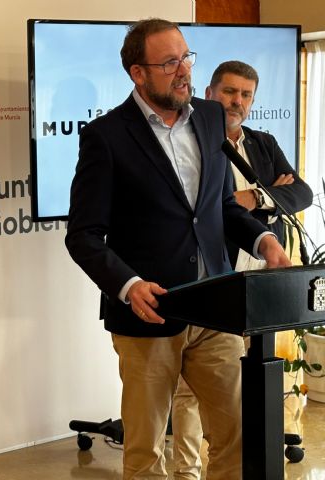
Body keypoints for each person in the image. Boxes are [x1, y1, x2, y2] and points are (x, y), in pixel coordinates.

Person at [64, 19, 292, 480]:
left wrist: (262, 239)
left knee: (237, 437)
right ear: (138, 73)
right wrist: (128, 285)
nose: (184, 70)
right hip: (150, 313)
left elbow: (221, 206)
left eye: (186, 57)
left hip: (216, 307)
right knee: (147, 454)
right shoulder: (106, 136)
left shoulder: (209, 117)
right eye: (169, 63)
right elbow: (83, 235)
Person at [171, 60, 313, 479]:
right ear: (209, 94)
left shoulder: (262, 143)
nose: (237, 101)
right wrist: (265, 195)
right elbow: (207, 210)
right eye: (229, 92)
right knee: (189, 388)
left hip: (262, 273)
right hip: (216, 275)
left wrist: (255, 197)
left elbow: (301, 192)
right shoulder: (195, 140)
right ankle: (186, 469)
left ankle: (241, 456)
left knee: (240, 381)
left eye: (245, 95)